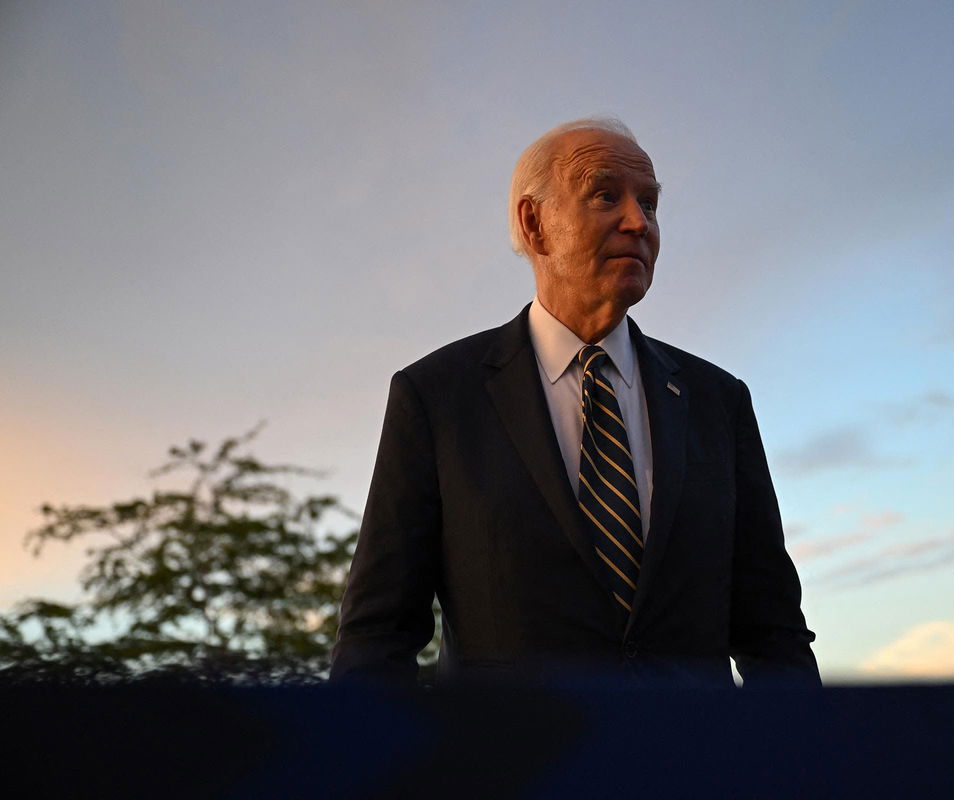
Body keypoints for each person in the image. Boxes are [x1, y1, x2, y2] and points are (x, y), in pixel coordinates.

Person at [330, 117, 819, 687]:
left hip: (698, 768)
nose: (639, 222)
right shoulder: (436, 396)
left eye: (651, 204)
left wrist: (794, 766)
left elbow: (773, 631)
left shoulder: (719, 401)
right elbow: (378, 634)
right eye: (605, 195)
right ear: (534, 224)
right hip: (510, 772)